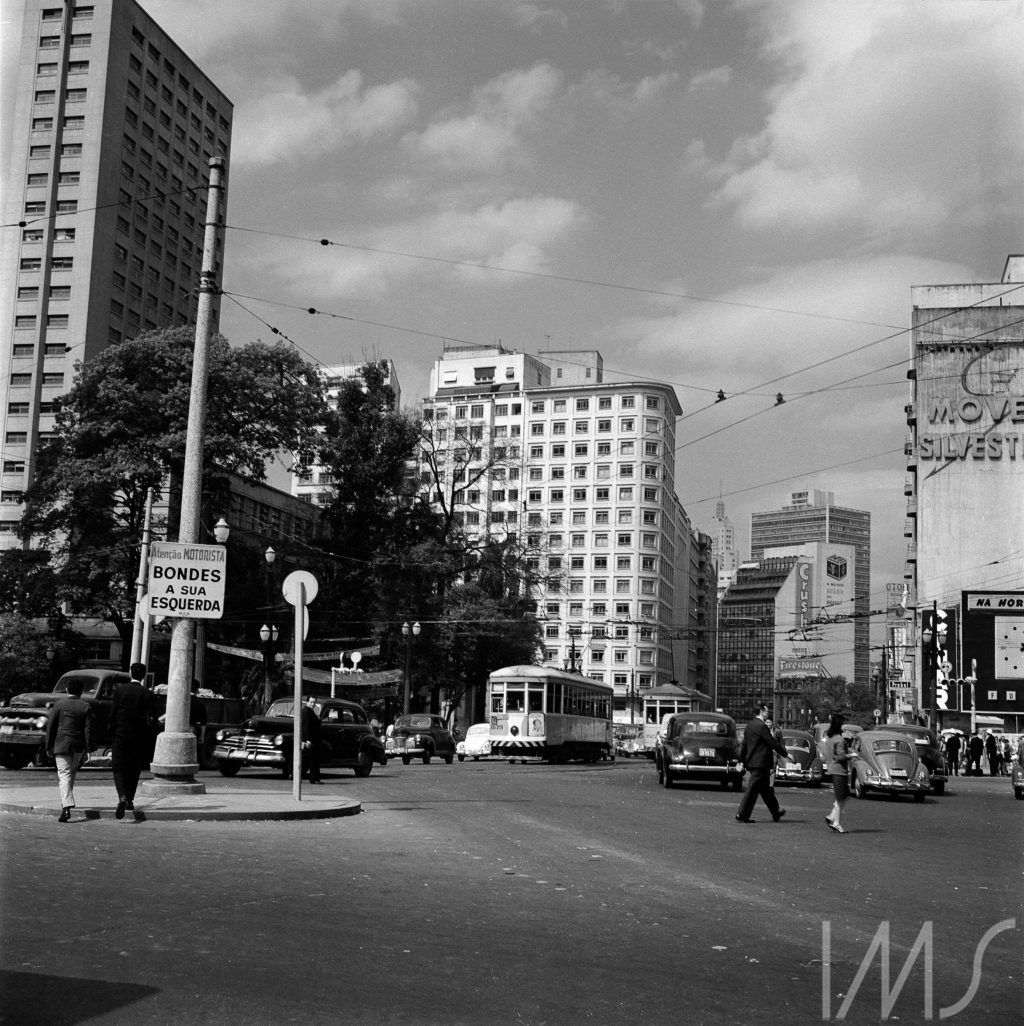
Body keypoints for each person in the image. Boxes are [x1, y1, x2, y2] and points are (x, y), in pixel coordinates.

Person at [109, 662, 154, 819]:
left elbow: (113, 714)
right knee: (134, 768)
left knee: (118, 767)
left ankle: (122, 795)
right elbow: (151, 718)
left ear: (130, 673)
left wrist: (112, 732)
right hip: (138, 737)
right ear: (143, 676)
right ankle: (129, 799)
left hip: (121, 734)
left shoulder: (120, 691)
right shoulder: (147, 693)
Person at [46, 677, 93, 823]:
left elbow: (51, 727)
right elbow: (88, 730)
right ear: (81, 691)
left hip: (61, 744)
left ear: (67, 690)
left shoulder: (59, 705)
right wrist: (88, 749)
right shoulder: (86, 706)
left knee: (64, 775)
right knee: (71, 775)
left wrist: (48, 746)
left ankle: (66, 807)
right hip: (78, 746)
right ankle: (65, 804)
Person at [735, 703, 789, 823]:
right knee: (752, 789)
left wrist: (741, 761)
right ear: (761, 711)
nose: (768, 713)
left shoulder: (749, 726)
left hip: (753, 762)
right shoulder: (762, 726)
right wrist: (786, 754)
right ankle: (742, 814)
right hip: (761, 763)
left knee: (765, 790)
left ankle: (776, 811)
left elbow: (744, 746)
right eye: (766, 711)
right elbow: (772, 742)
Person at [823, 712, 851, 834]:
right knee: (840, 798)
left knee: (845, 795)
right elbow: (840, 756)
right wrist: (850, 755)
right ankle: (836, 822)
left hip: (833, 769)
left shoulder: (830, 739)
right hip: (839, 770)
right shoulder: (839, 740)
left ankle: (831, 816)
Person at [300, 694, 322, 784]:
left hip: (313, 739)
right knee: (312, 760)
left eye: (314, 702)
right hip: (310, 740)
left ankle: (314, 778)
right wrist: (307, 740)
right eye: (311, 702)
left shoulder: (310, 711)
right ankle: (313, 779)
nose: (313, 704)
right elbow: (306, 727)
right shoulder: (306, 712)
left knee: (310, 759)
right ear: (307, 702)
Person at [189, 679, 208, 765]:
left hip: (180, 727)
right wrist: (202, 736)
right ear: (197, 689)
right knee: (191, 749)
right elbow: (204, 722)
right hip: (193, 729)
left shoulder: (182, 701)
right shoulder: (201, 704)